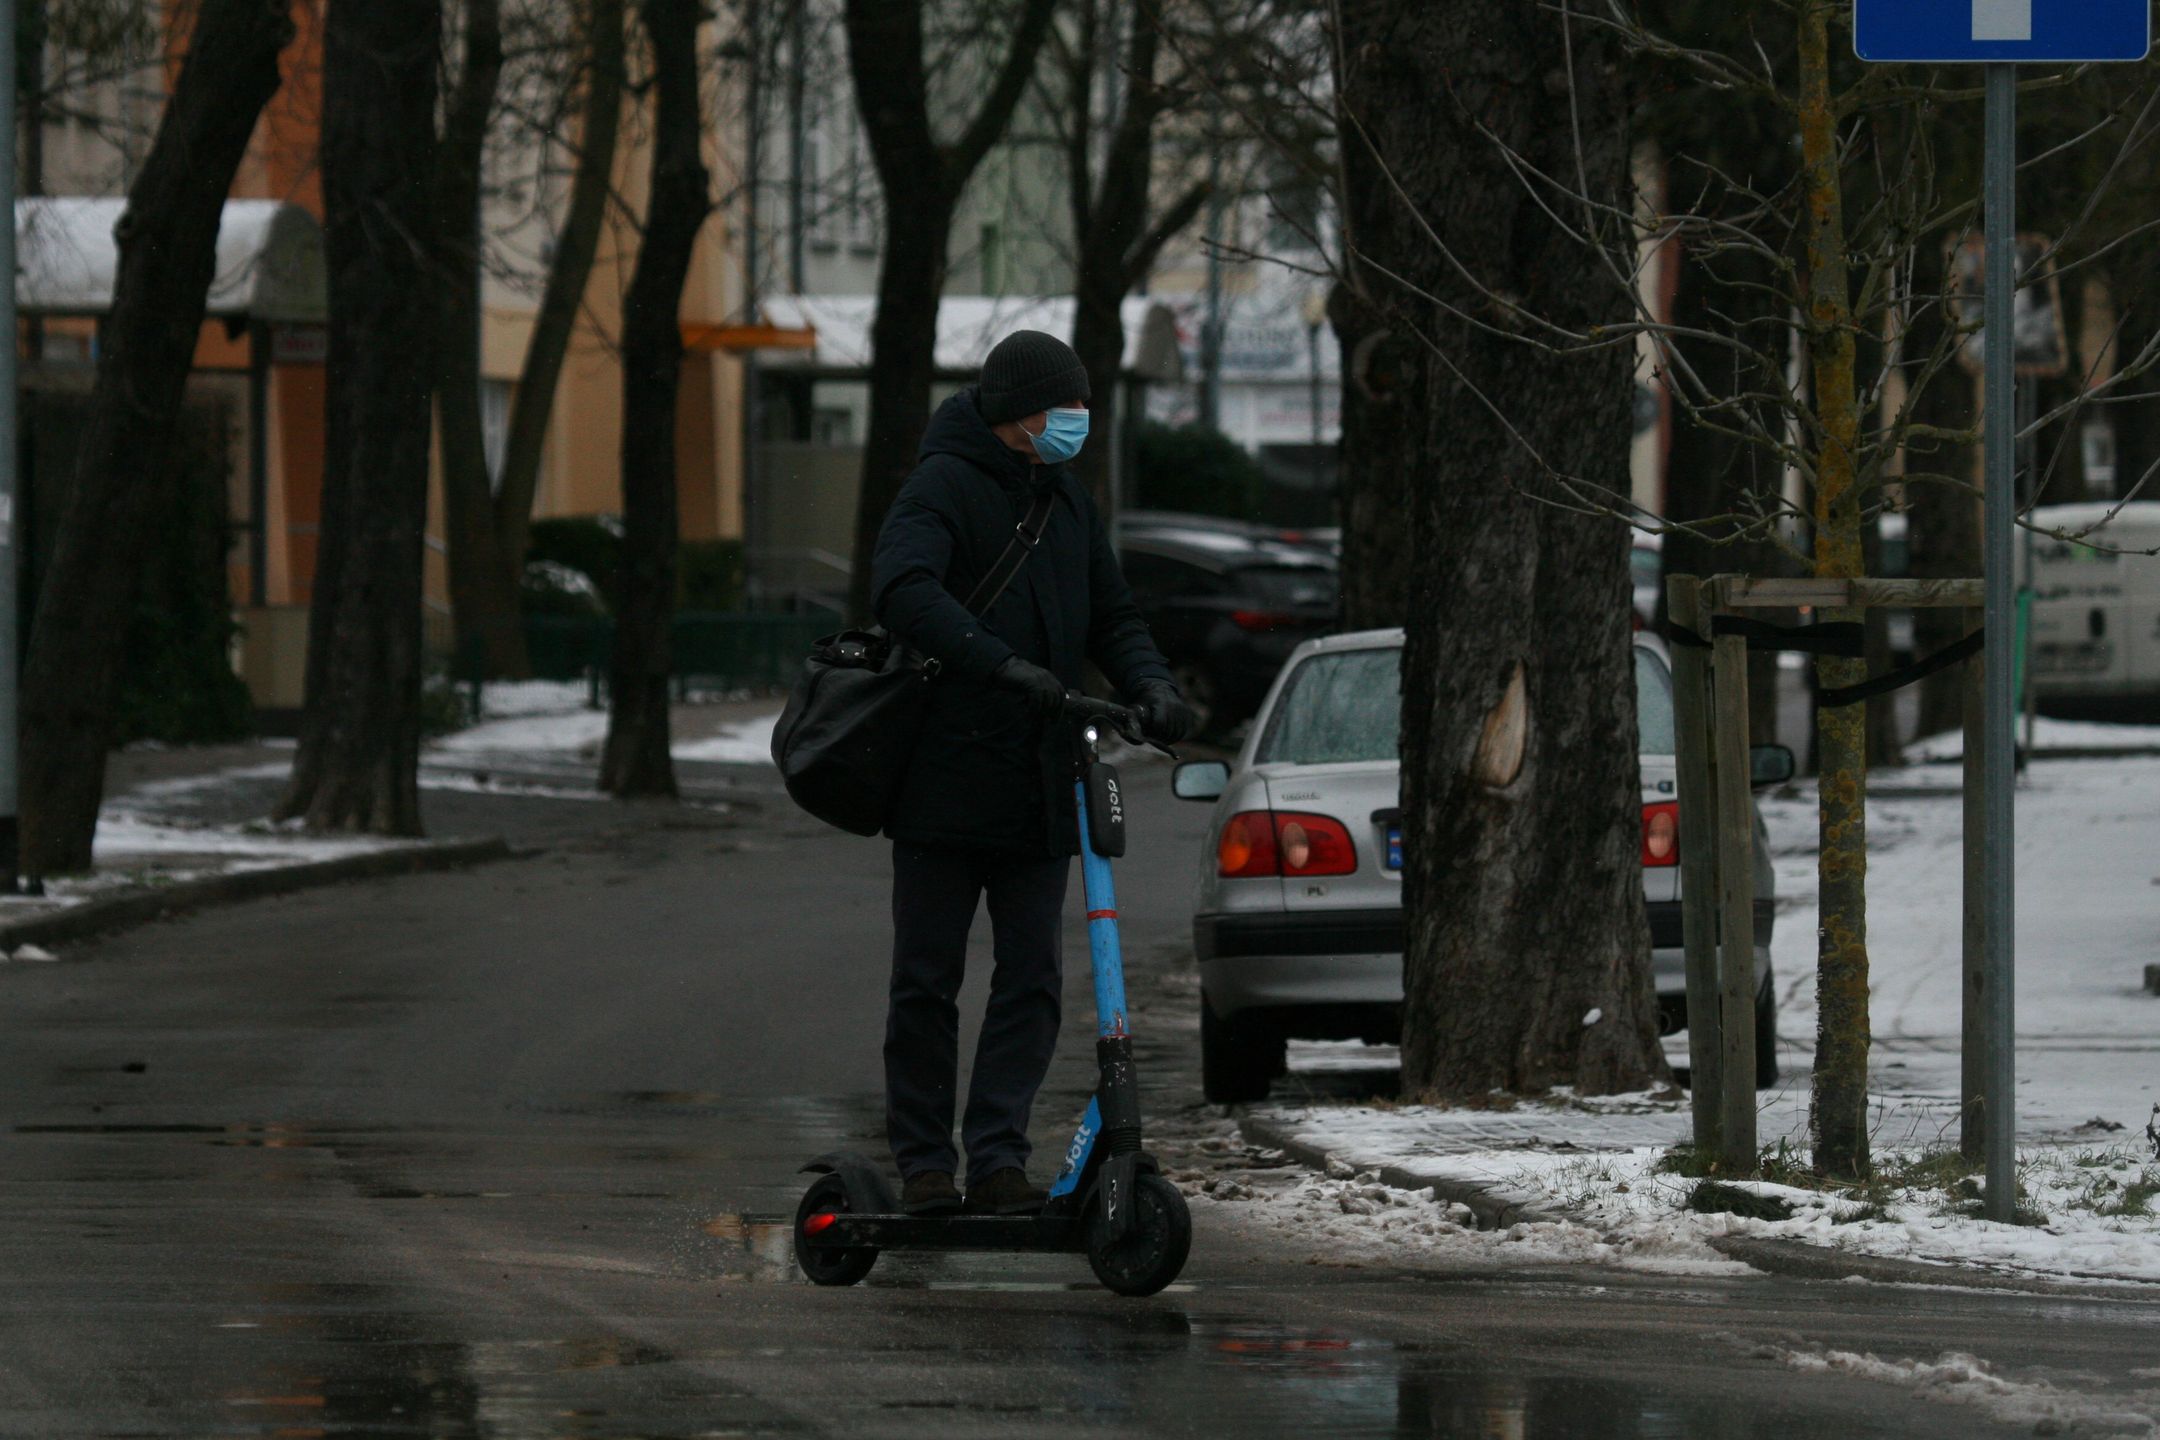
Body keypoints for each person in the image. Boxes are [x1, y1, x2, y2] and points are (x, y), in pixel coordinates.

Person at [869, 330, 1195, 1217]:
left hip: (1043, 780)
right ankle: (927, 1166)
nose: (1081, 422)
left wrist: (1153, 684)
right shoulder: (942, 485)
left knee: (1033, 978)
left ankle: (1000, 1159)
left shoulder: (1066, 500)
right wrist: (997, 663)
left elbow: (1113, 614)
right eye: (1068, 407)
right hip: (943, 778)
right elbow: (901, 588)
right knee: (928, 980)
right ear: (1020, 412)